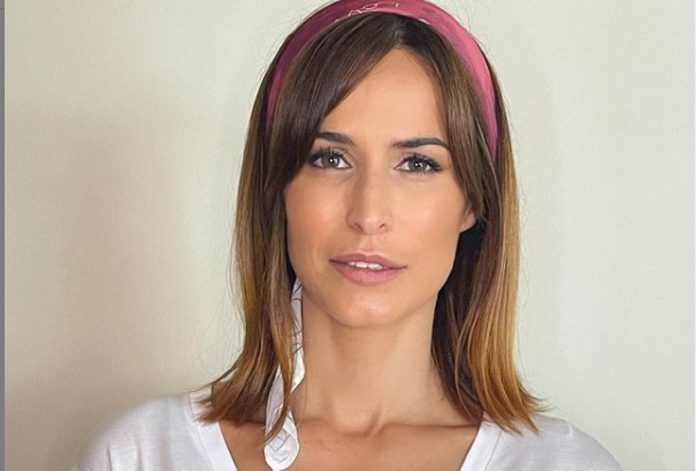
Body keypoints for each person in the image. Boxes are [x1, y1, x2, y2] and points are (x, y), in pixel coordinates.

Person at [71, 1, 623, 469]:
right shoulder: (141, 455)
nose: (368, 212)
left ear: (474, 201)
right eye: (330, 158)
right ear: (277, 187)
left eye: (418, 164)